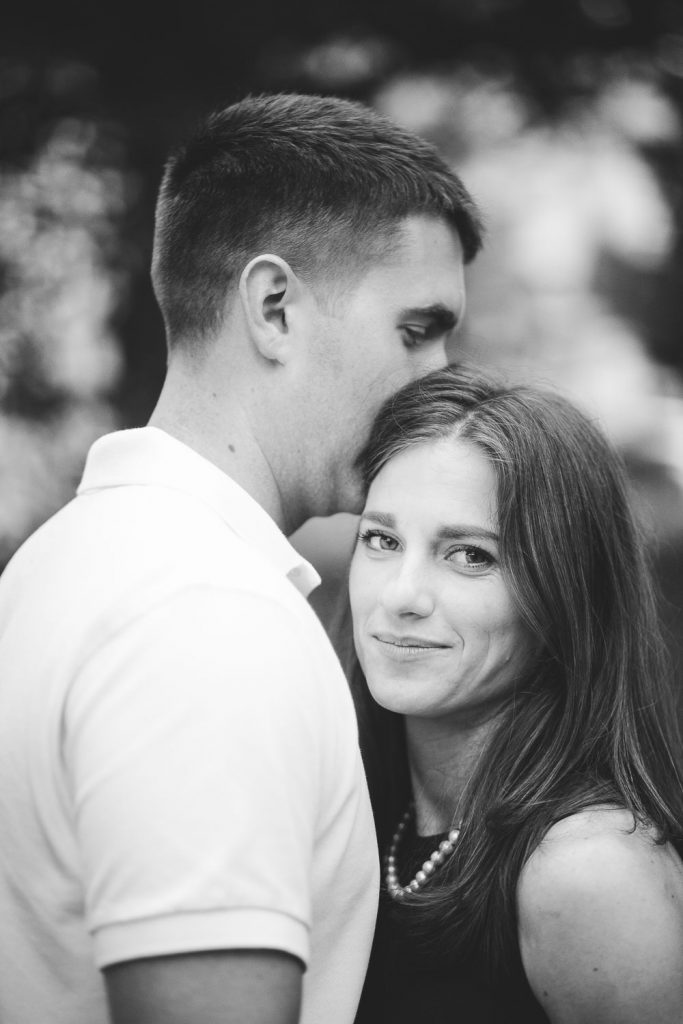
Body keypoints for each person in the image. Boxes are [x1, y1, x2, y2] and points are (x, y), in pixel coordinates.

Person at [0, 94, 483, 1024]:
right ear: (273, 309)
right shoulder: (206, 617)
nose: (444, 377)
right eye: (416, 330)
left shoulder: (64, 561)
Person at [347, 366, 683, 1024]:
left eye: (469, 555)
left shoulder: (589, 872)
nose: (400, 596)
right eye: (381, 540)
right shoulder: (354, 806)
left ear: (563, 593)